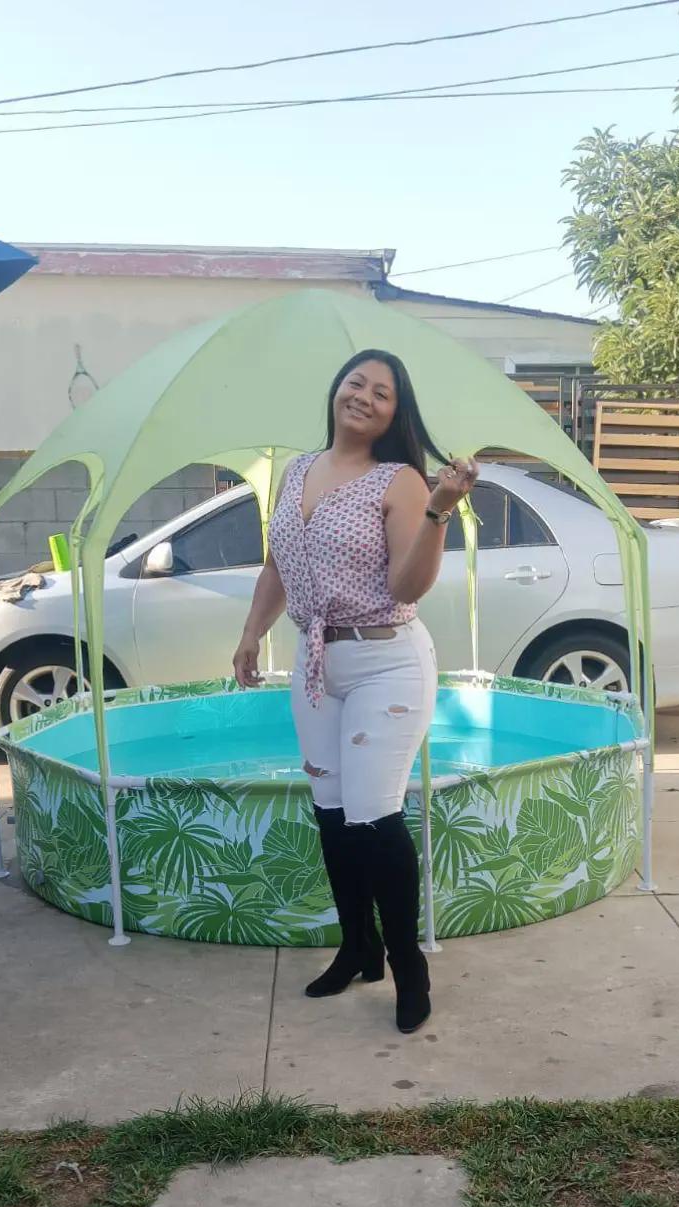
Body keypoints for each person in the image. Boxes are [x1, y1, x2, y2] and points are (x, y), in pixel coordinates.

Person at [233, 350, 478, 1033]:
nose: (365, 397)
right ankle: (358, 948)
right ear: (337, 391)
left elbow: (406, 586)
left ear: (396, 413)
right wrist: (252, 633)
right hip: (317, 664)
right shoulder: (297, 471)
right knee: (333, 815)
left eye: (382, 392)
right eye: (356, 383)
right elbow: (279, 564)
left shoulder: (401, 481)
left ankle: (408, 967)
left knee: (373, 816)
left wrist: (438, 513)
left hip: (386, 662)